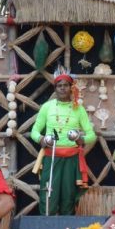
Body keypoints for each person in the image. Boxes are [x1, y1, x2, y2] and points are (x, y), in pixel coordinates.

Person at [30, 68, 96, 215]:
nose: (62, 88)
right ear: (55, 88)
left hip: (71, 160)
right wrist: (41, 139)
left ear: (71, 88)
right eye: (59, 85)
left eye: (66, 85)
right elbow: (34, 131)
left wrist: (81, 139)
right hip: (51, 158)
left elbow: (92, 135)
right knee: (49, 195)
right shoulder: (47, 107)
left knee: (68, 197)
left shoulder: (79, 110)